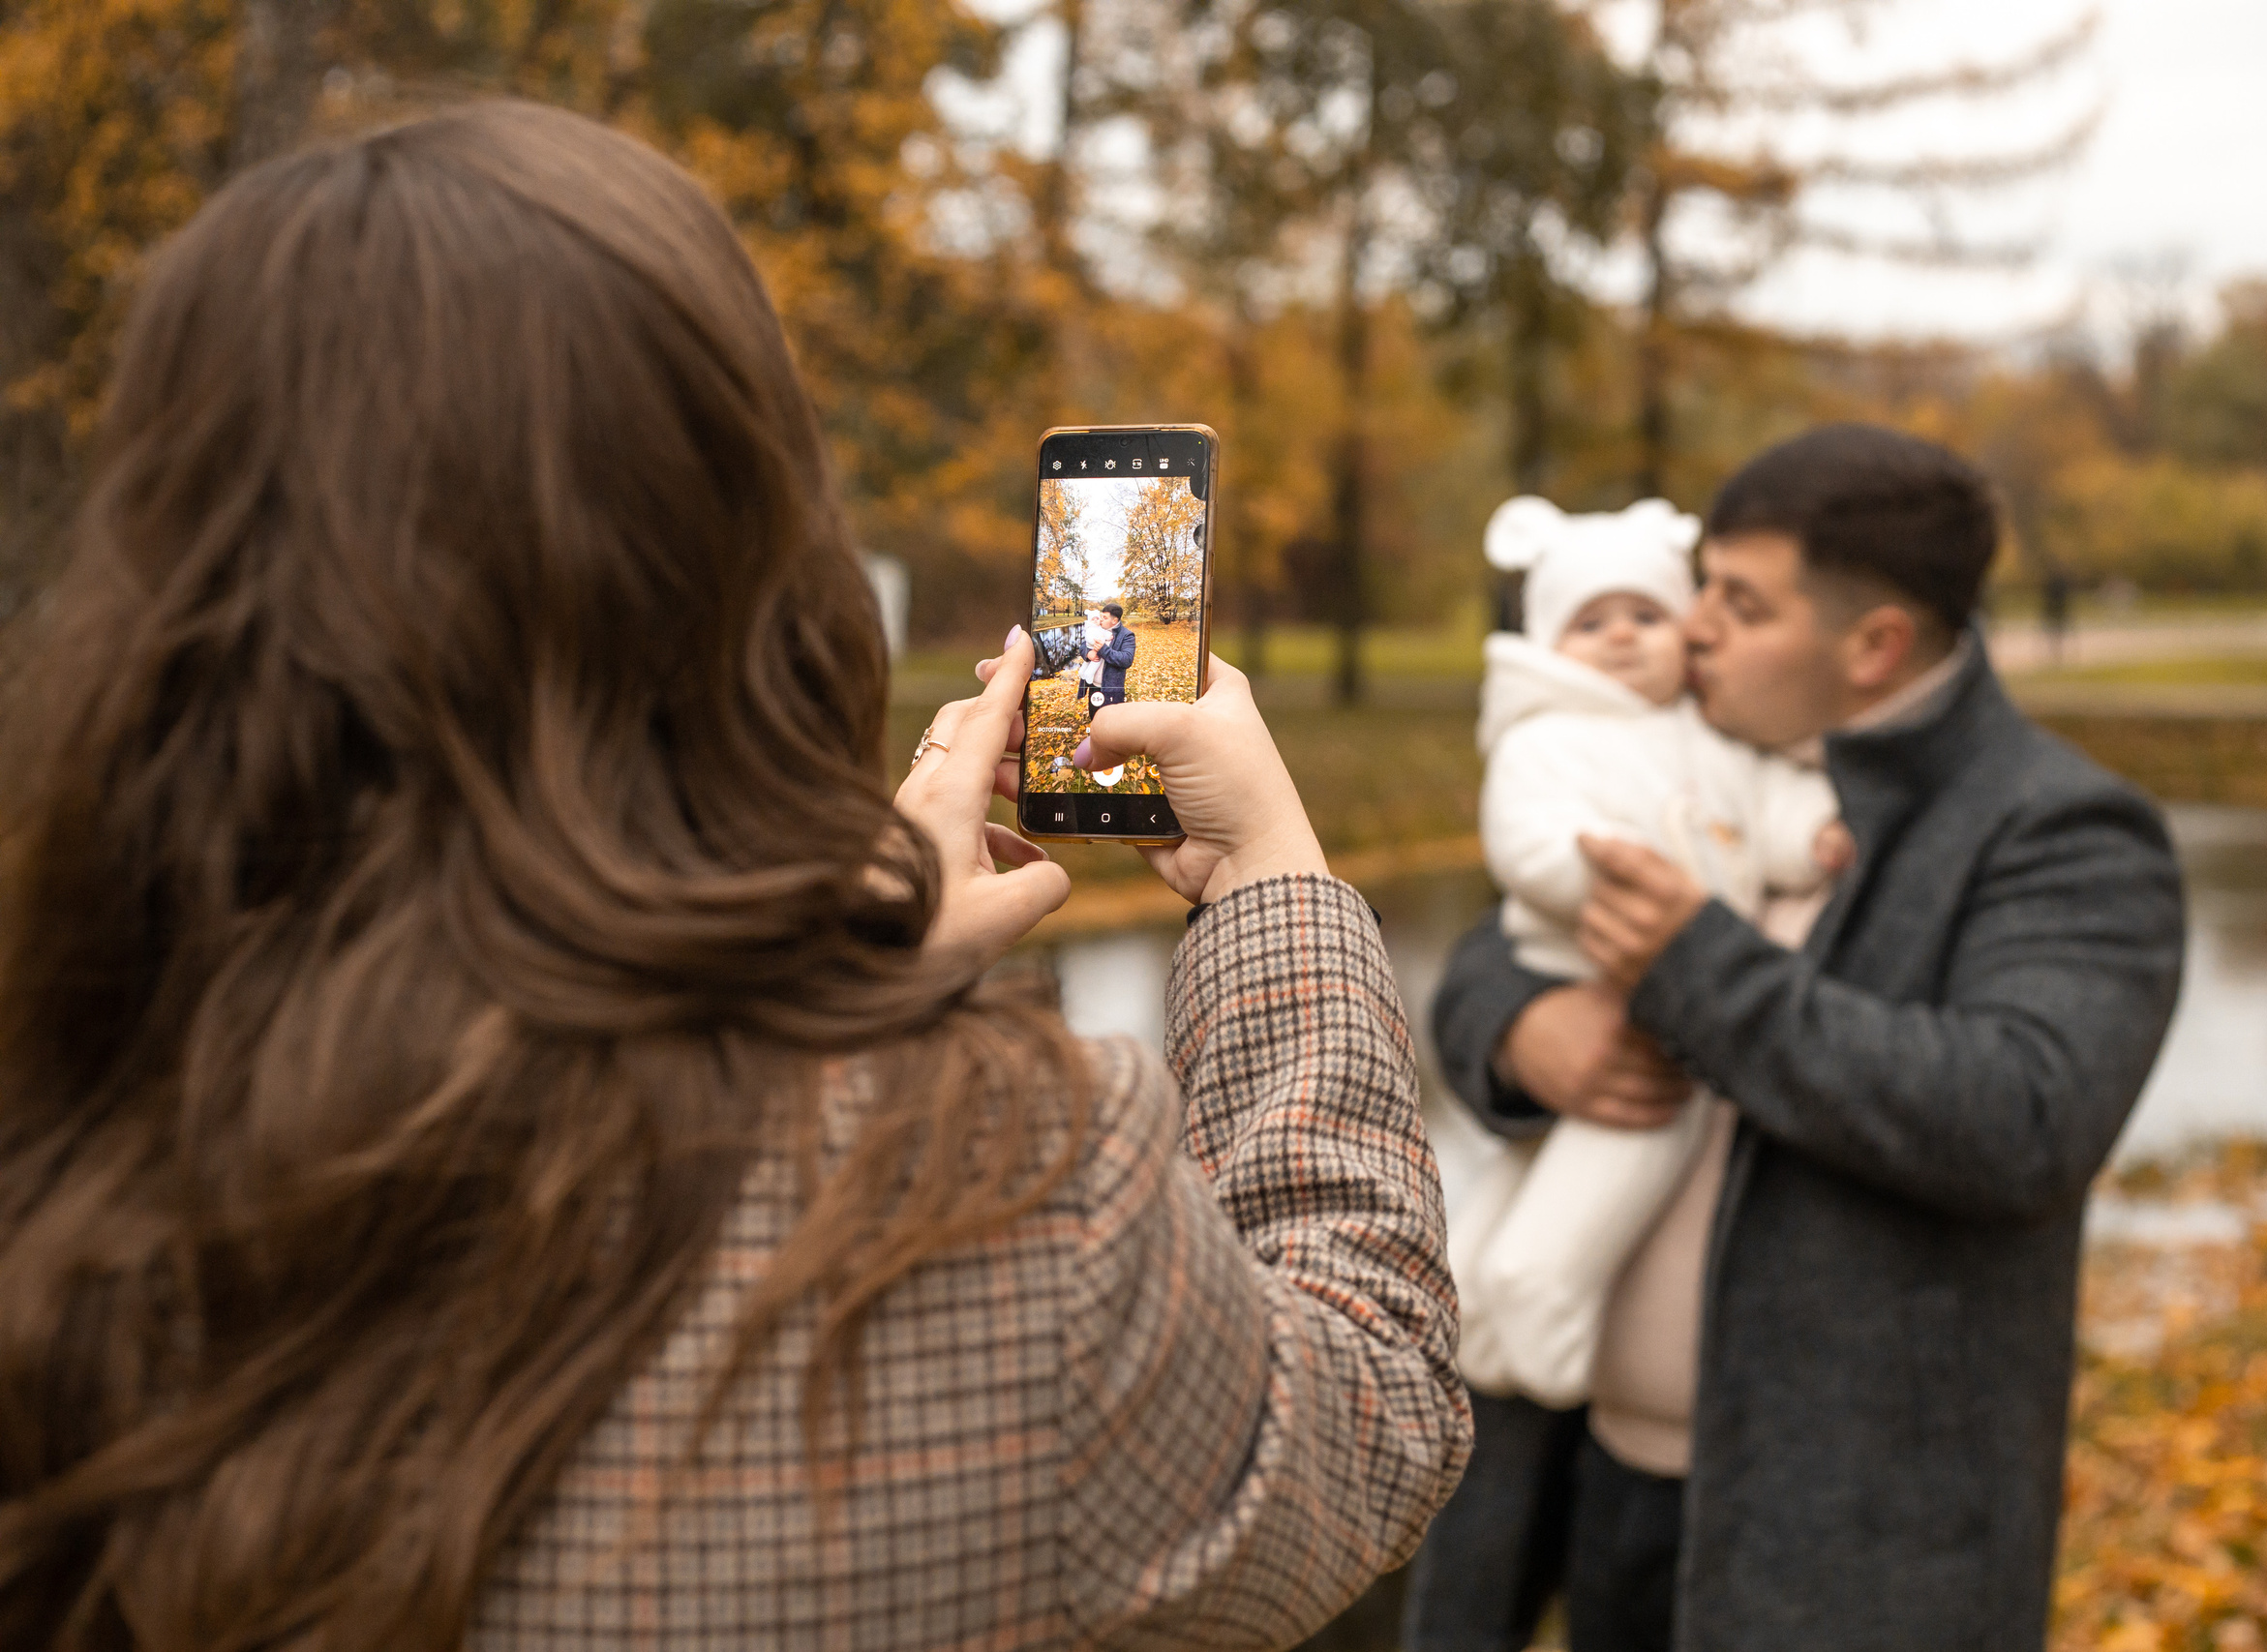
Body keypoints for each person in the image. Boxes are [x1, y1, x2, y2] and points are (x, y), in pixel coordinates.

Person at [0, 101, 1469, 1651]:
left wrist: (849, 969)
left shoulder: (66, 1143)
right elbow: (1367, 1410)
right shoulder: (1004, 1198)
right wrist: (1269, 882)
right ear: (746, 560)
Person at [1428, 423, 2187, 1651]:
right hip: (1600, 1486)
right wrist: (1520, 1031)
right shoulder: (1683, 740)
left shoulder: (2058, 832)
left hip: (1851, 1552)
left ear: (1873, 645)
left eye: (1739, 603)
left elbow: (2024, 1118)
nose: (1692, 625)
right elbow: (1498, 947)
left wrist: (1696, 972)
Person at [1451, 492, 1842, 1410]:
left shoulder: (1714, 737)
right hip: (1592, 974)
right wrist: (1601, 878)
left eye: (1646, 615)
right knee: (1505, 1204)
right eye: (1593, 622)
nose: (1623, 637)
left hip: (1674, 1016)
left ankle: (1538, 1336)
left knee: (1575, 1208)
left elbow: (1769, 812)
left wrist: (1812, 836)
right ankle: (1484, 1338)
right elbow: (1525, 842)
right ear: (1550, 641)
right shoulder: (1543, 739)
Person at [1085, 600, 1137, 718]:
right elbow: (1084, 645)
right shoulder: (1096, 628)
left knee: (1111, 720)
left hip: (1111, 688)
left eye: (1105, 618)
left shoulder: (1127, 635)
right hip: (1094, 686)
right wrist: (1088, 654)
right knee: (1095, 717)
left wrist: (1103, 649)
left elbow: (1127, 659)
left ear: (1114, 621)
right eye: (1101, 616)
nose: (1101, 620)